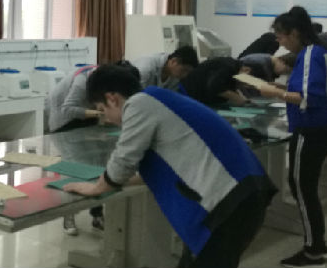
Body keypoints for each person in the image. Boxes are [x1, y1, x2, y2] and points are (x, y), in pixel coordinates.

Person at [64, 63, 277, 268]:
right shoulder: (159, 99)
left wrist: (97, 187)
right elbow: (163, 167)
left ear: (112, 98)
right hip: (240, 197)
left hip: (227, 204)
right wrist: (112, 181)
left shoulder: (139, 104)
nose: (107, 119)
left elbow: (123, 160)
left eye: (102, 109)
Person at [257, 6, 327, 267]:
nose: (280, 42)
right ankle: (317, 244)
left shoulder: (309, 54)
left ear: (294, 33)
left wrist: (277, 94)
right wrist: (280, 87)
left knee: (302, 188)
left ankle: (314, 250)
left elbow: (309, 97)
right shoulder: (321, 51)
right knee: (304, 186)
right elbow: (312, 88)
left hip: (312, 129)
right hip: (325, 127)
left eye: (281, 36)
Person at [44, 63, 106, 235]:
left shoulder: (103, 78)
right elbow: (68, 109)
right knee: (74, 170)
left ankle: (97, 214)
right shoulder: (81, 81)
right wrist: (99, 113)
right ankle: (68, 216)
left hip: (85, 117)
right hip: (64, 121)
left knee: (97, 166)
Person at [177, 56, 248, 106]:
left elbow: (226, 85)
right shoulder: (229, 67)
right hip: (187, 94)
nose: (245, 85)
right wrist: (236, 98)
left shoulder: (234, 68)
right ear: (246, 70)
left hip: (195, 97)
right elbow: (215, 86)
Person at [131, 45, 198, 90]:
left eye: (188, 72)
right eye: (184, 70)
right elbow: (133, 94)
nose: (185, 75)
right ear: (173, 61)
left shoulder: (175, 79)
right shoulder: (146, 67)